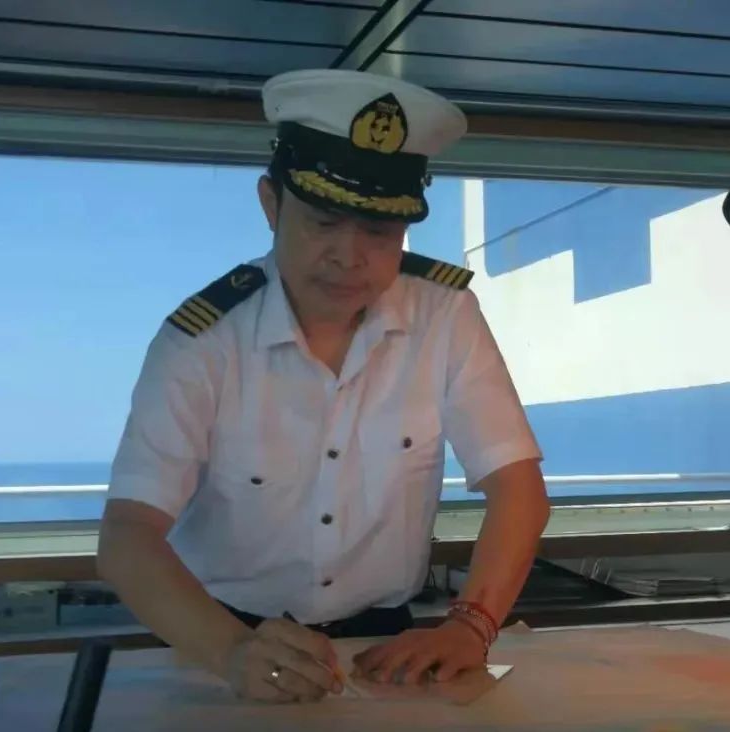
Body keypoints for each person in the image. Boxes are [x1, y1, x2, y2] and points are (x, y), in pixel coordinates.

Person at [96, 68, 551, 704]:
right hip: (224, 638)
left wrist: (471, 625)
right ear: (271, 204)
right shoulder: (202, 340)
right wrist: (231, 651)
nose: (348, 257)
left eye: (379, 232)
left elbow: (518, 489)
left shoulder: (445, 316)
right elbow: (126, 533)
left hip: (381, 644)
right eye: (323, 222)